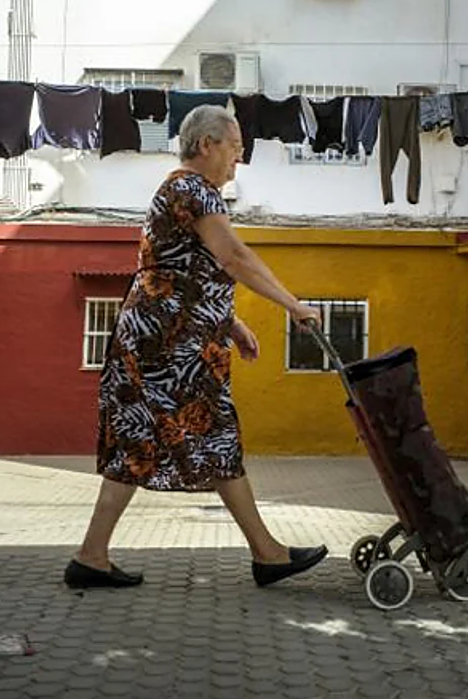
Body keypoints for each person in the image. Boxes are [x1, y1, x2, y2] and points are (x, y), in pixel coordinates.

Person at [65, 104, 328, 590]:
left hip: (160, 338)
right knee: (213, 435)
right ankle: (267, 555)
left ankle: (91, 556)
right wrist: (293, 304)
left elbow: (177, 271)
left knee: (140, 442)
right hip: (171, 347)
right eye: (235, 148)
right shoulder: (191, 189)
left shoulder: (177, 190)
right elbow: (233, 256)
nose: (238, 160)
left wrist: (228, 322)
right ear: (206, 144)